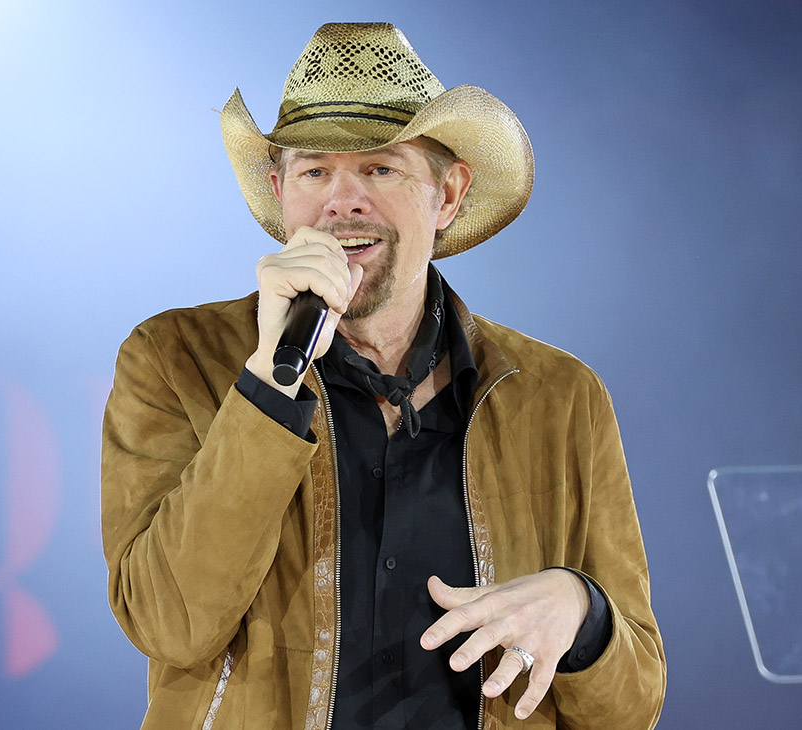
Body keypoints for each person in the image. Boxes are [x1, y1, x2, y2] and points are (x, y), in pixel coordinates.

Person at [102, 22, 665, 730]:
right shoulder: (176, 359)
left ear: (449, 194)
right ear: (279, 192)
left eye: (380, 168)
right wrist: (268, 389)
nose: (343, 202)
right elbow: (167, 622)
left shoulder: (559, 399)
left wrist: (582, 614)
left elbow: (636, 702)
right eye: (314, 171)